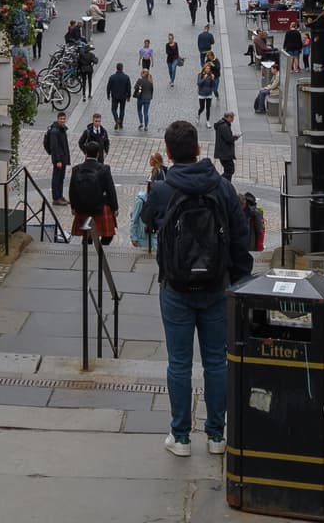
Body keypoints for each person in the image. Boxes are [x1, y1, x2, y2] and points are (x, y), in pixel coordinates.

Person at [142, 120, 252, 457]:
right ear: (200, 149)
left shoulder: (163, 188)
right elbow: (239, 236)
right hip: (217, 284)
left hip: (175, 286)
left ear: (170, 152)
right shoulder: (221, 187)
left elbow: (148, 220)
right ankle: (217, 435)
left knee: (179, 362)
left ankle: (181, 436)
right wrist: (237, 278)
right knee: (217, 360)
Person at [69, 142, 119, 245]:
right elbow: (110, 190)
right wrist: (114, 208)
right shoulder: (104, 169)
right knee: (108, 236)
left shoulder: (76, 169)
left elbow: (72, 190)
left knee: (87, 235)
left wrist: (73, 207)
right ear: (97, 154)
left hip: (82, 208)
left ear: (85, 153)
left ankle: (88, 252)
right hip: (100, 208)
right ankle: (100, 251)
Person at [43, 111, 71, 204]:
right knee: (57, 178)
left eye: (64, 119)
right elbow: (54, 147)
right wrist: (58, 160)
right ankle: (56, 198)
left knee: (61, 178)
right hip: (59, 159)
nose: (62, 120)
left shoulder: (61, 129)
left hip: (63, 158)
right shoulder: (55, 131)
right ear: (57, 119)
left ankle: (60, 195)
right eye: (61, 119)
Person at [105, 65, 132, 133]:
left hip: (115, 96)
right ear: (122, 68)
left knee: (113, 109)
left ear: (116, 68)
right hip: (123, 96)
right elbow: (129, 87)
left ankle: (117, 119)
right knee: (122, 110)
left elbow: (108, 87)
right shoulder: (126, 77)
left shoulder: (112, 77)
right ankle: (121, 123)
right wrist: (129, 96)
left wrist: (108, 95)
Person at [213, 110, 239, 180]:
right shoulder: (224, 126)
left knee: (229, 170)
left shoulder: (223, 125)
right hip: (225, 153)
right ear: (228, 117)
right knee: (230, 170)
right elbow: (228, 139)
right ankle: (220, 182)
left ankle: (225, 184)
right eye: (232, 118)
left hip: (224, 152)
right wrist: (235, 137)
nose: (233, 119)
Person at [133, 64, 156, 132]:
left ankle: (141, 123)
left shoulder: (140, 80)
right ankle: (146, 126)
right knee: (146, 113)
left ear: (143, 74)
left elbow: (135, 87)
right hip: (148, 98)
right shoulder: (150, 81)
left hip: (140, 98)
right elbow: (152, 90)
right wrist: (150, 97)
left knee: (139, 111)